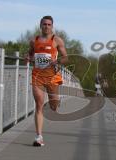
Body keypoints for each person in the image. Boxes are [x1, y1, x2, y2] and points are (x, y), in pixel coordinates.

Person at [25, 15, 68, 146]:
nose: (46, 26)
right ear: (40, 25)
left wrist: (57, 61)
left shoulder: (57, 40)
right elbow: (30, 54)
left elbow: (66, 57)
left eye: (49, 24)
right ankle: (39, 137)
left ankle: (55, 102)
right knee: (39, 104)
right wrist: (28, 57)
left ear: (52, 26)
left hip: (52, 77)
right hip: (37, 76)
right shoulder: (34, 41)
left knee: (53, 106)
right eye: (44, 24)